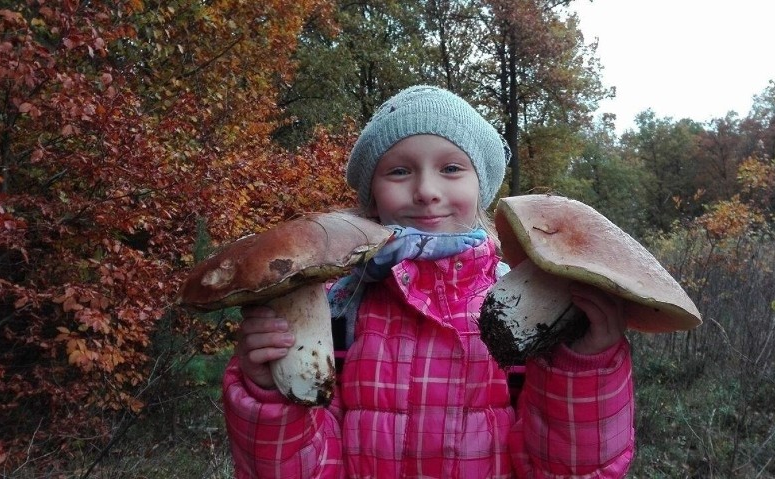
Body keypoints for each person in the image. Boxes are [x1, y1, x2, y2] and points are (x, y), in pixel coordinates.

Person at [222, 85, 634, 478]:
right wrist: (269, 394)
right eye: (399, 171)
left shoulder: (523, 308)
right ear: (373, 195)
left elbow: (566, 468)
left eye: (451, 168)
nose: (426, 190)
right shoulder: (334, 307)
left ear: (481, 186)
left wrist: (586, 370)